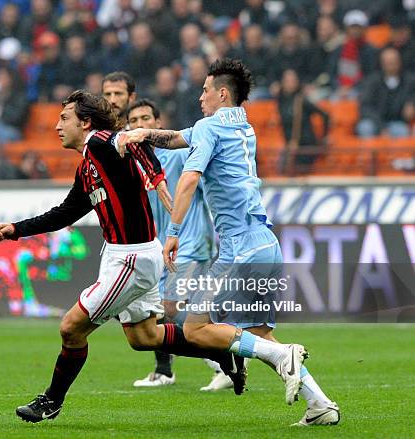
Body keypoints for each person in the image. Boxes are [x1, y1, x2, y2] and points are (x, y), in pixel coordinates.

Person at [0, 90, 245, 423]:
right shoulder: (87, 168)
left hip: (132, 259)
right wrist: (17, 229)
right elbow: (65, 213)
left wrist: (156, 179)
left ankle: (51, 401)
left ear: (85, 122)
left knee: (71, 328)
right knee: (145, 338)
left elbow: (129, 141)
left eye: (64, 118)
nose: (56, 126)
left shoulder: (101, 142)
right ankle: (221, 349)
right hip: (122, 254)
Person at [119, 58, 340, 426]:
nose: (200, 96)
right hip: (266, 244)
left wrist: (172, 233)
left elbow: (188, 180)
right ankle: (320, 405)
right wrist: (145, 135)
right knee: (259, 334)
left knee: (195, 327)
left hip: (239, 247)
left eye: (205, 90)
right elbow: (175, 138)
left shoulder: (209, 127)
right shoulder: (243, 126)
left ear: (222, 93)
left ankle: (283, 355)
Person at [126, 98, 220, 389]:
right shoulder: (132, 161)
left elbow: (203, 185)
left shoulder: (178, 156)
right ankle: (164, 371)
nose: (140, 124)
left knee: (170, 308)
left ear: (158, 124)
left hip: (190, 241)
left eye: (146, 119)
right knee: (160, 311)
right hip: (158, 246)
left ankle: (221, 361)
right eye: (135, 120)